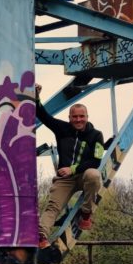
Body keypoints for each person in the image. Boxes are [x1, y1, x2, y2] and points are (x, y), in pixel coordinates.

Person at [35, 84, 105, 248]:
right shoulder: (62, 129)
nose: (78, 120)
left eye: (82, 116)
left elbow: (96, 161)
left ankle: (86, 213)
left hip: (83, 175)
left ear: (87, 116)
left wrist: (72, 169)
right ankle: (41, 236)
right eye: (75, 117)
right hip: (65, 180)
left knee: (94, 174)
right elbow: (43, 116)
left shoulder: (96, 135)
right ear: (70, 117)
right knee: (53, 206)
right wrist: (36, 97)